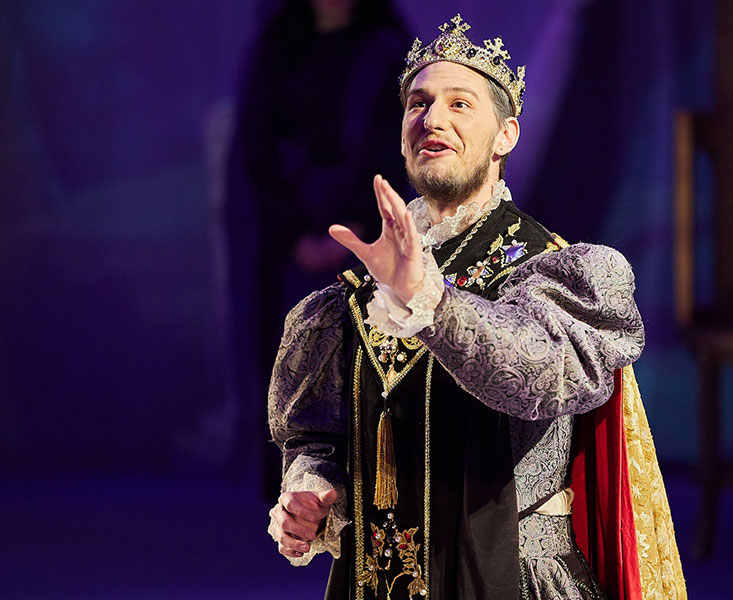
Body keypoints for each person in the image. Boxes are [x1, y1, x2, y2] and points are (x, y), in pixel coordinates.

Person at [266, 14, 687, 600]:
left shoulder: (557, 273)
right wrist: (313, 494)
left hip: (514, 580)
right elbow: (319, 438)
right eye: (418, 103)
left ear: (506, 136)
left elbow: (536, 374)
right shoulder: (348, 302)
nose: (432, 118)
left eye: (460, 104)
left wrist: (430, 303)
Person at [225, 0, 409, 495]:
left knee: (363, 356)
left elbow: (396, 145)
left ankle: (365, 482)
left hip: (367, 235)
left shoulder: (387, 48)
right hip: (287, 240)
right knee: (290, 352)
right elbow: (258, 149)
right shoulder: (279, 47)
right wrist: (293, 235)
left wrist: (357, 224)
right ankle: (290, 487)